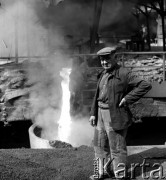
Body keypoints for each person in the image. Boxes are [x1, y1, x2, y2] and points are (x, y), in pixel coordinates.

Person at [89, 47, 152, 180]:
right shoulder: (102, 74)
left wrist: (127, 98)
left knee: (116, 148)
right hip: (100, 114)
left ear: (115, 58)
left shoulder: (124, 73)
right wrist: (93, 113)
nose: (105, 62)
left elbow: (145, 85)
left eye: (107, 59)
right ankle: (102, 172)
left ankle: (120, 175)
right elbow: (97, 95)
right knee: (99, 145)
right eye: (102, 60)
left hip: (115, 115)